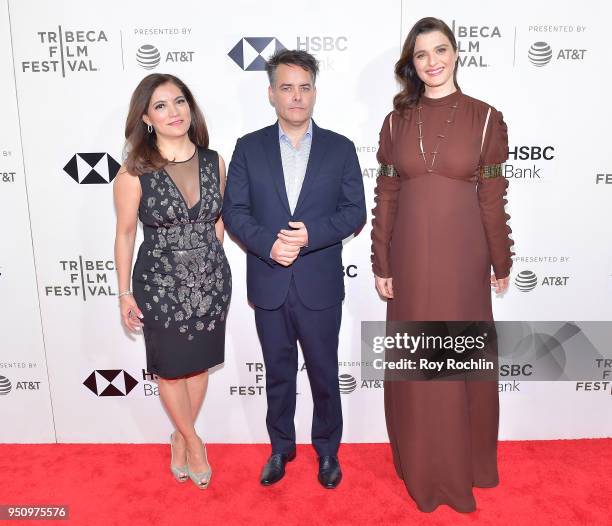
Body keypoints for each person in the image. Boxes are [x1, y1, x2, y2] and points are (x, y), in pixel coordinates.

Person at [371, 17, 513, 512]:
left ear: (456, 53)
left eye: (440, 50)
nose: (432, 62)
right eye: (421, 55)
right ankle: (421, 463)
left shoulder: (487, 118)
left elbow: (493, 199)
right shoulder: (394, 123)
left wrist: (501, 259)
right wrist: (380, 258)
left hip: (463, 256)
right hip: (408, 258)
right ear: (411, 64)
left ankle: (466, 465)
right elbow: (386, 195)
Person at [222, 49, 366, 489]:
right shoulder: (249, 148)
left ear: (315, 92)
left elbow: (354, 212)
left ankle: (327, 452)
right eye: (287, 87)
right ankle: (280, 448)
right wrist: (269, 246)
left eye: (304, 87)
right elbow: (235, 211)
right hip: (270, 284)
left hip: (320, 285)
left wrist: (310, 236)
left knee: (324, 372)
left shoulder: (341, 148)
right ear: (271, 93)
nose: (296, 96)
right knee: (278, 373)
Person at [113, 73, 231, 490]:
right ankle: (194, 442)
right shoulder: (133, 173)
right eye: (160, 106)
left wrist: (210, 264)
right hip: (159, 283)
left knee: (198, 366)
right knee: (170, 371)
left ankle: (178, 437)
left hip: (211, 283)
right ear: (146, 117)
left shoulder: (214, 160)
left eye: (179, 102)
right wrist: (125, 292)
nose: (173, 112)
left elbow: (217, 221)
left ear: (190, 107)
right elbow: (126, 233)